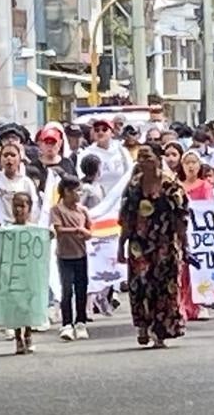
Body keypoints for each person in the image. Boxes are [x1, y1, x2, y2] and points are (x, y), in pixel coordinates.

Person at [118, 143, 190, 348]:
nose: (142, 161)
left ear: (158, 158)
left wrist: (184, 247)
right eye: (140, 157)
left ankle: (161, 332)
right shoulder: (133, 186)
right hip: (139, 244)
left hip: (165, 242)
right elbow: (127, 217)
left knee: (164, 288)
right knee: (140, 284)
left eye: (147, 156)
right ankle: (143, 326)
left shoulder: (170, 186)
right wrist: (121, 245)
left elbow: (181, 218)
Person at [51, 175, 93, 342]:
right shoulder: (57, 210)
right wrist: (76, 230)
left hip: (81, 255)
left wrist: (85, 233)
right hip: (64, 256)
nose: (79, 194)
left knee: (81, 289)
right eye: (77, 191)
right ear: (67, 192)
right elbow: (58, 229)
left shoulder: (82, 211)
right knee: (67, 289)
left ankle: (81, 321)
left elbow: (90, 232)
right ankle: (67, 323)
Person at [176, 151, 213, 322]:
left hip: (199, 233)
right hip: (182, 231)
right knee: (182, 269)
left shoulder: (204, 186)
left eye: (194, 162)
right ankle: (182, 304)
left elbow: (209, 209)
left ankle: (201, 304)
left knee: (198, 268)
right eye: (187, 163)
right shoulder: (177, 186)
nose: (191, 166)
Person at [7, 193, 39, 354]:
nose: (19, 210)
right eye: (15, 206)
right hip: (13, 273)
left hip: (29, 273)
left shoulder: (35, 230)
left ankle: (28, 333)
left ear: (29, 208)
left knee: (28, 305)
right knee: (15, 306)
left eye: (22, 206)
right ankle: (18, 337)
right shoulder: (7, 230)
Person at [79, 119, 133, 195]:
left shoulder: (121, 151)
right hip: (97, 198)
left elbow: (130, 172)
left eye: (104, 129)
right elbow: (82, 177)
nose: (100, 132)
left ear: (112, 133)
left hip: (120, 197)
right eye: (97, 130)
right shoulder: (86, 153)